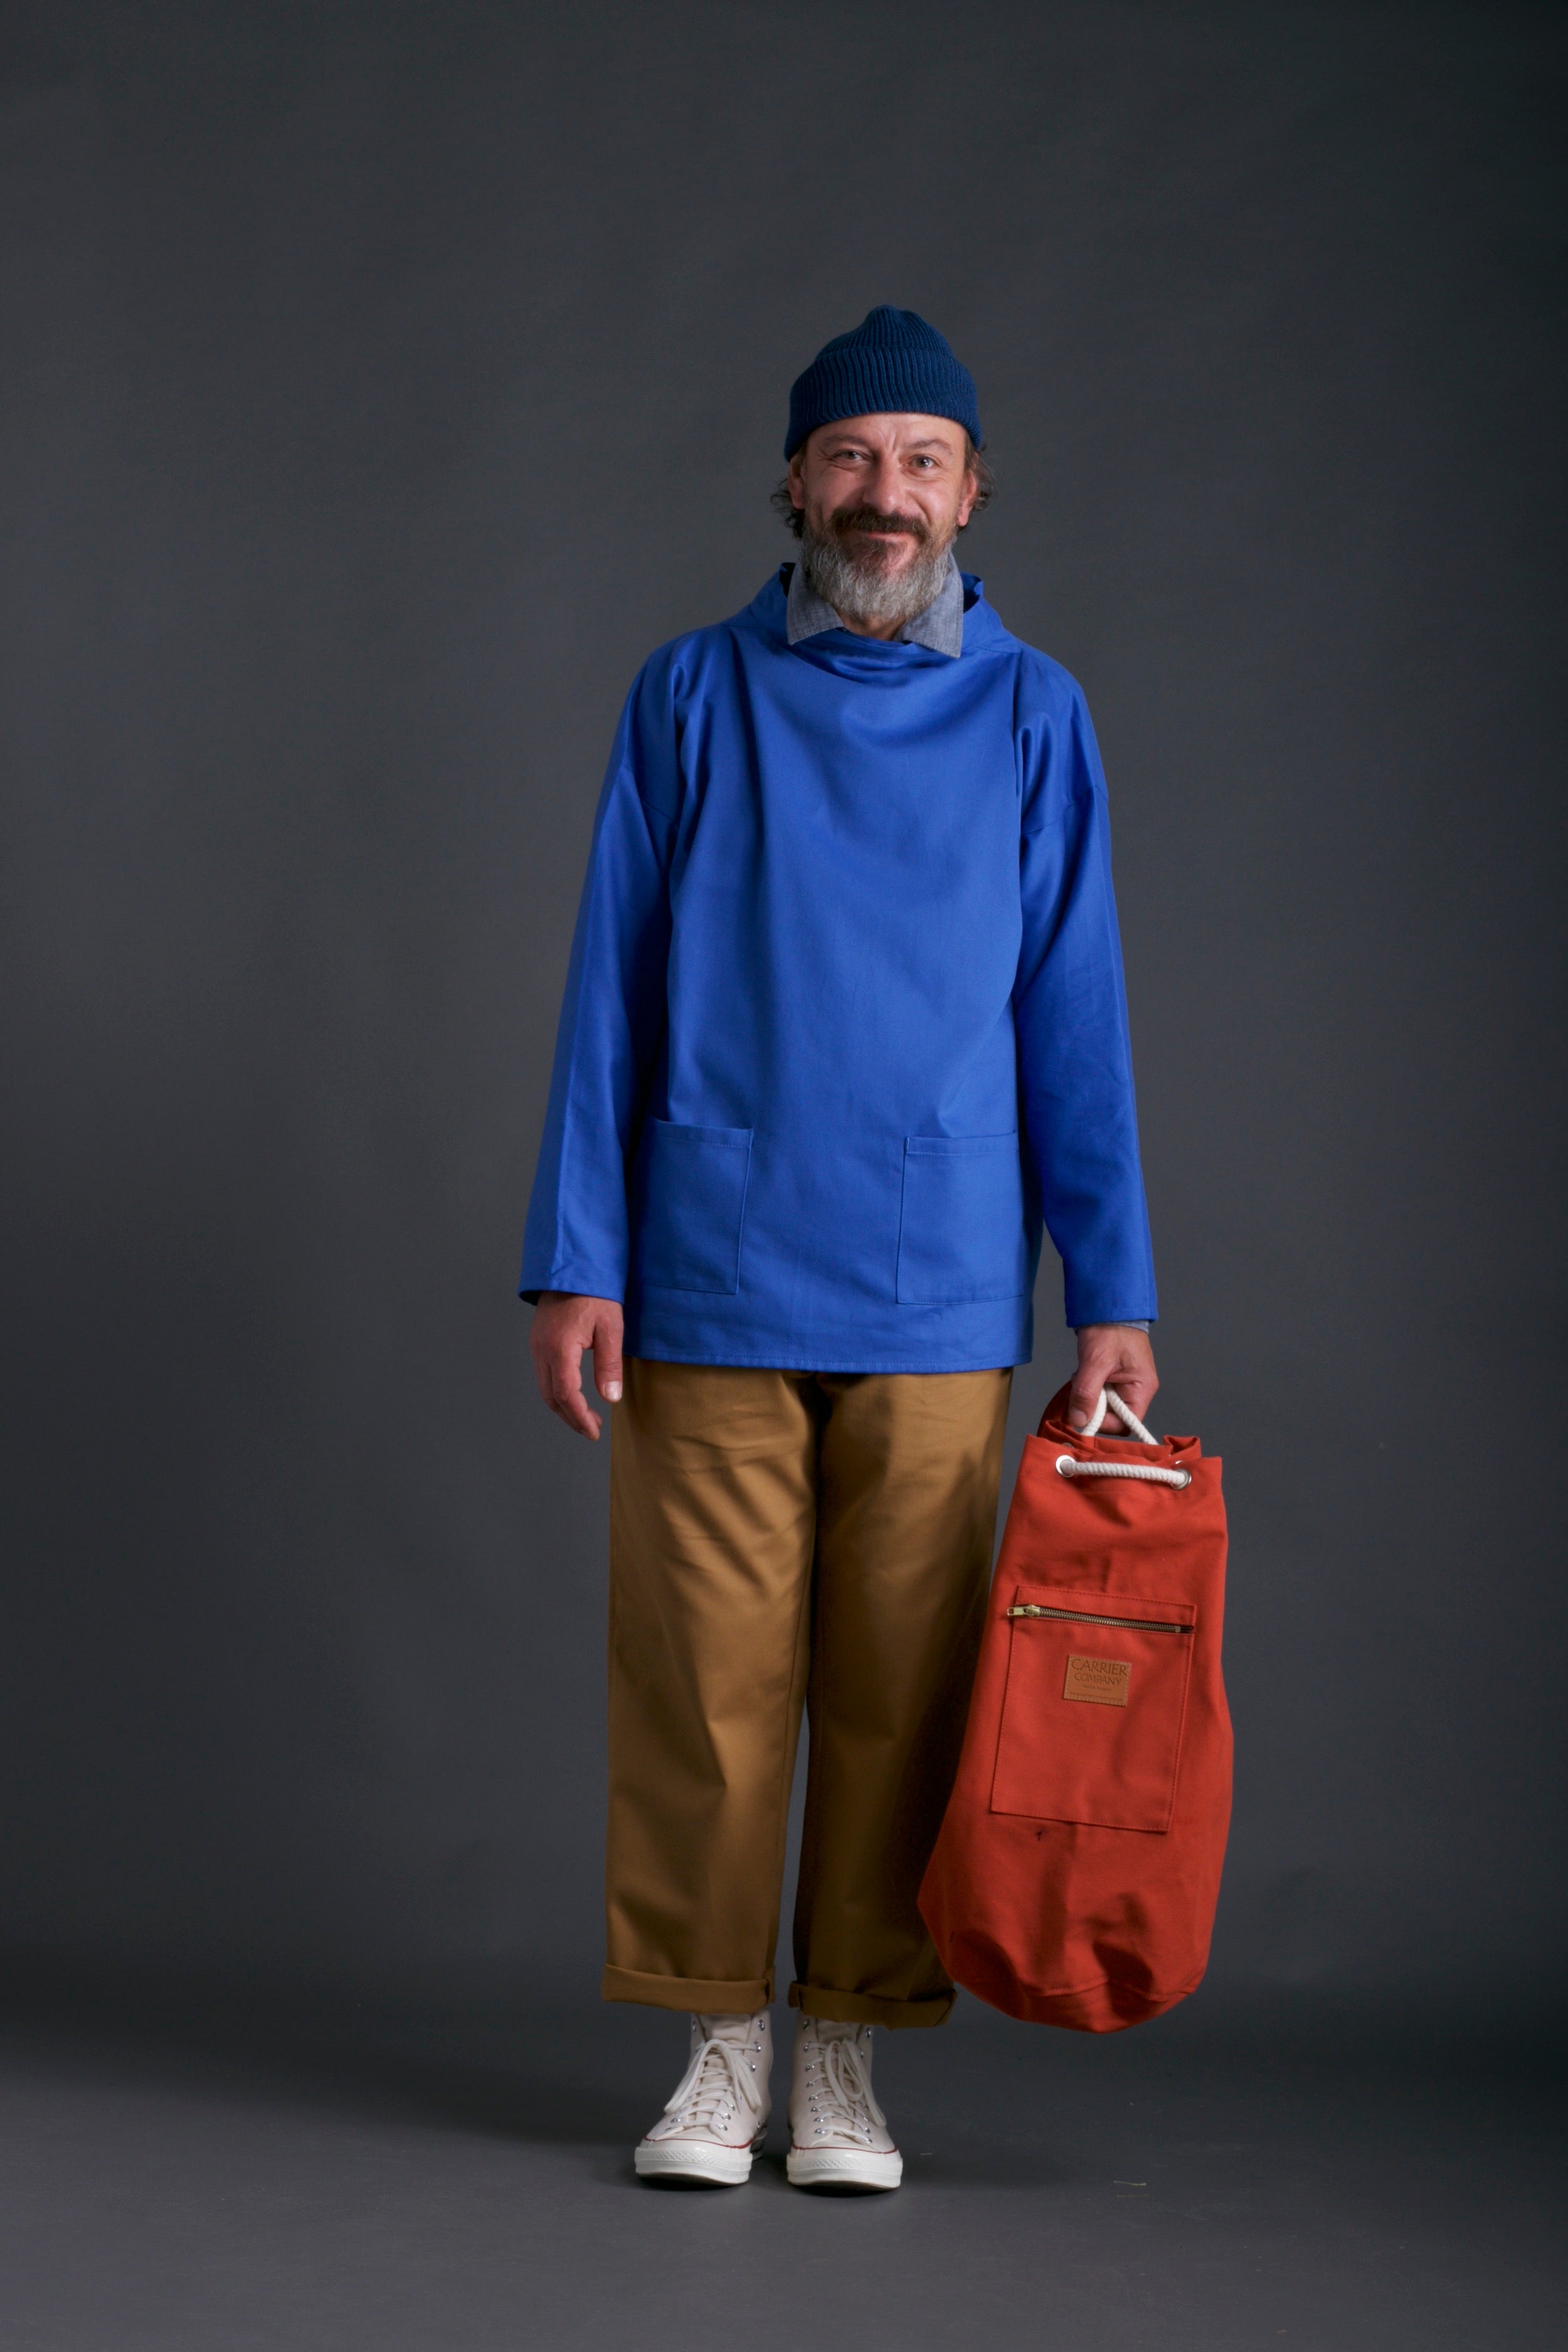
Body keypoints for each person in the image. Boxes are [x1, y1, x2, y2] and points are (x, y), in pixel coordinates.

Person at [520, 307, 1158, 2191]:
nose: (886, 497)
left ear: (973, 495)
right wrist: (579, 1258)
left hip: (941, 1278)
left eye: (922, 462)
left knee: (905, 1689)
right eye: (852, 459)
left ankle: (849, 2062)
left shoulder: (1035, 715)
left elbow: (1077, 1017)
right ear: (792, 481)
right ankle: (721, 2042)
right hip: (710, 1259)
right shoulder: (689, 696)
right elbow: (605, 1000)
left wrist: (1107, 1290)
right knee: (705, 1688)